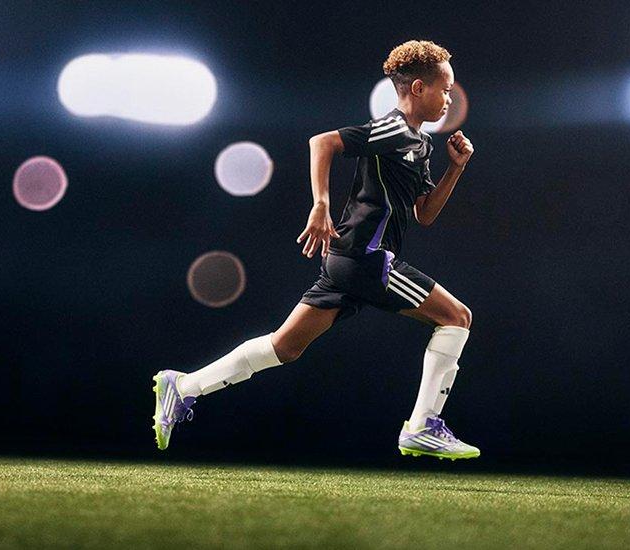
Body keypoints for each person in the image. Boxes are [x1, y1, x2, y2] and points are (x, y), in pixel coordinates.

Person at [153, 40, 479, 460]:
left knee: (283, 347)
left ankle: (183, 386)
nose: (449, 98)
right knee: (457, 317)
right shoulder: (393, 128)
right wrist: (321, 204)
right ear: (418, 88)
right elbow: (322, 142)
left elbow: (425, 213)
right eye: (445, 89)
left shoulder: (420, 144)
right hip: (366, 257)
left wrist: (457, 167)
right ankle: (422, 426)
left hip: (350, 260)